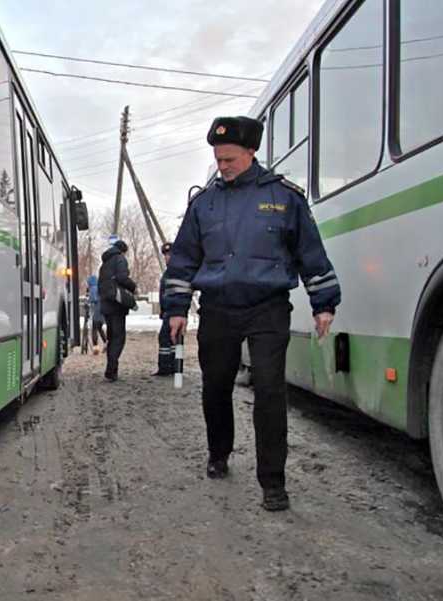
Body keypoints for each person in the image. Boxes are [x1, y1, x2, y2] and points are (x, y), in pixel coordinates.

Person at [163, 115, 341, 512]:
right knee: (216, 388)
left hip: (268, 308)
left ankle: (273, 482)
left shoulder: (284, 199)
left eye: (229, 159)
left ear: (251, 152)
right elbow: (184, 260)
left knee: (271, 393)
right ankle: (219, 452)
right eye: (217, 159)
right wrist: (175, 309)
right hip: (218, 310)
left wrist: (323, 303)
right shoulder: (203, 205)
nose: (221, 167)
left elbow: (310, 254)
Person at [98, 239, 137, 381]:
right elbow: (122, 278)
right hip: (116, 305)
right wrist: (133, 286)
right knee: (118, 338)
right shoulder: (120, 259)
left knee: (111, 336)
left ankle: (111, 369)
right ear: (123, 250)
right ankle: (111, 370)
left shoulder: (104, 263)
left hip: (106, 304)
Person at [153, 242, 175, 376]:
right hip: (169, 310)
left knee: (166, 338)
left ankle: (166, 368)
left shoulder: (175, 271)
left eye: (169, 254)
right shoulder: (169, 272)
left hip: (173, 310)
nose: (167, 257)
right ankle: (173, 367)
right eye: (165, 255)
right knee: (172, 339)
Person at [87, 278, 108, 353]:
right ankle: (106, 342)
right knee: (99, 327)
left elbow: (93, 299)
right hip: (104, 311)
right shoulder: (101, 287)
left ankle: (96, 347)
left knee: (94, 329)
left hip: (97, 311)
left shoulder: (93, 289)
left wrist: (88, 301)